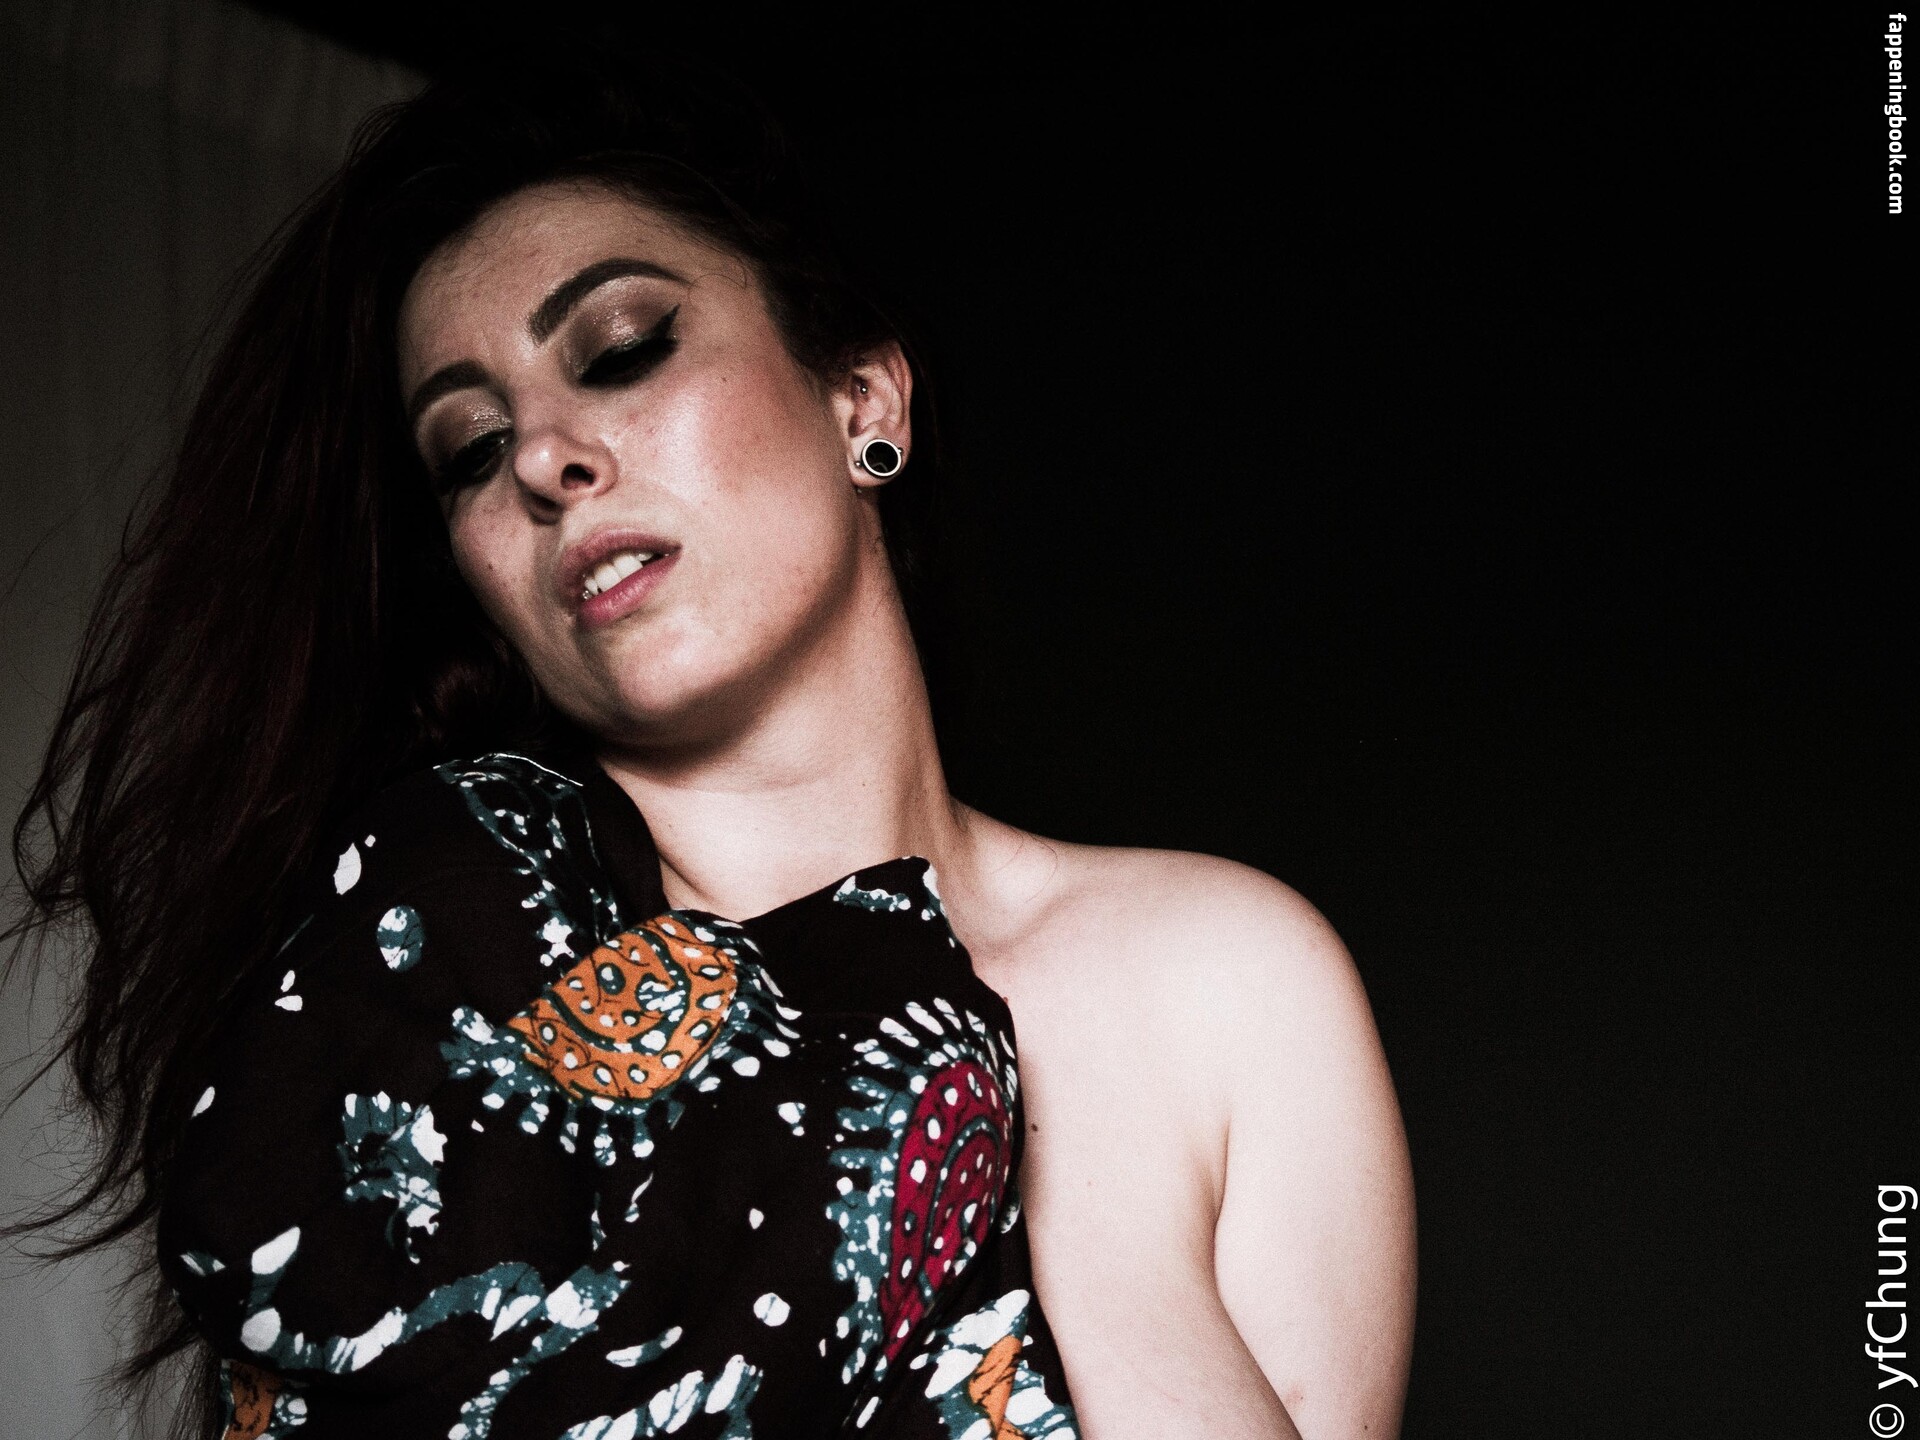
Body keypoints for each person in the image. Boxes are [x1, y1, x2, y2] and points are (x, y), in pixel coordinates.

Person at [7, 53, 1414, 1440]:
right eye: (471, 450)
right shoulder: (430, 964)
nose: (544, 457)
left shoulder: (1224, 973)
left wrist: (1100, 1202)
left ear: (862, 399)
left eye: (622, 350)